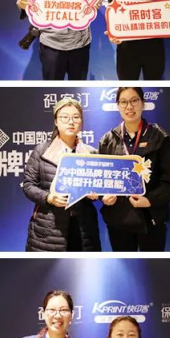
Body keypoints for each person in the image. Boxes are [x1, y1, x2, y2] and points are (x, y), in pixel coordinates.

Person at [98, 87, 170, 251]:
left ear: (143, 103)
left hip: (151, 218)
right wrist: (104, 197)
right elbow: (100, 181)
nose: (129, 107)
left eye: (134, 101)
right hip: (119, 221)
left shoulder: (158, 137)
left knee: (152, 265)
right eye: (123, 102)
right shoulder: (107, 141)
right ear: (118, 106)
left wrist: (149, 200)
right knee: (124, 265)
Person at [23, 97, 101, 252]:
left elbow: (100, 188)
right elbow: (28, 185)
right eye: (65, 117)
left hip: (83, 228)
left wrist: (96, 194)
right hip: (48, 226)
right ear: (56, 121)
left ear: (81, 122)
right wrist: (49, 198)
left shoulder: (91, 153)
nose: (71, 122)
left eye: (76, 117)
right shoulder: (41, 151)